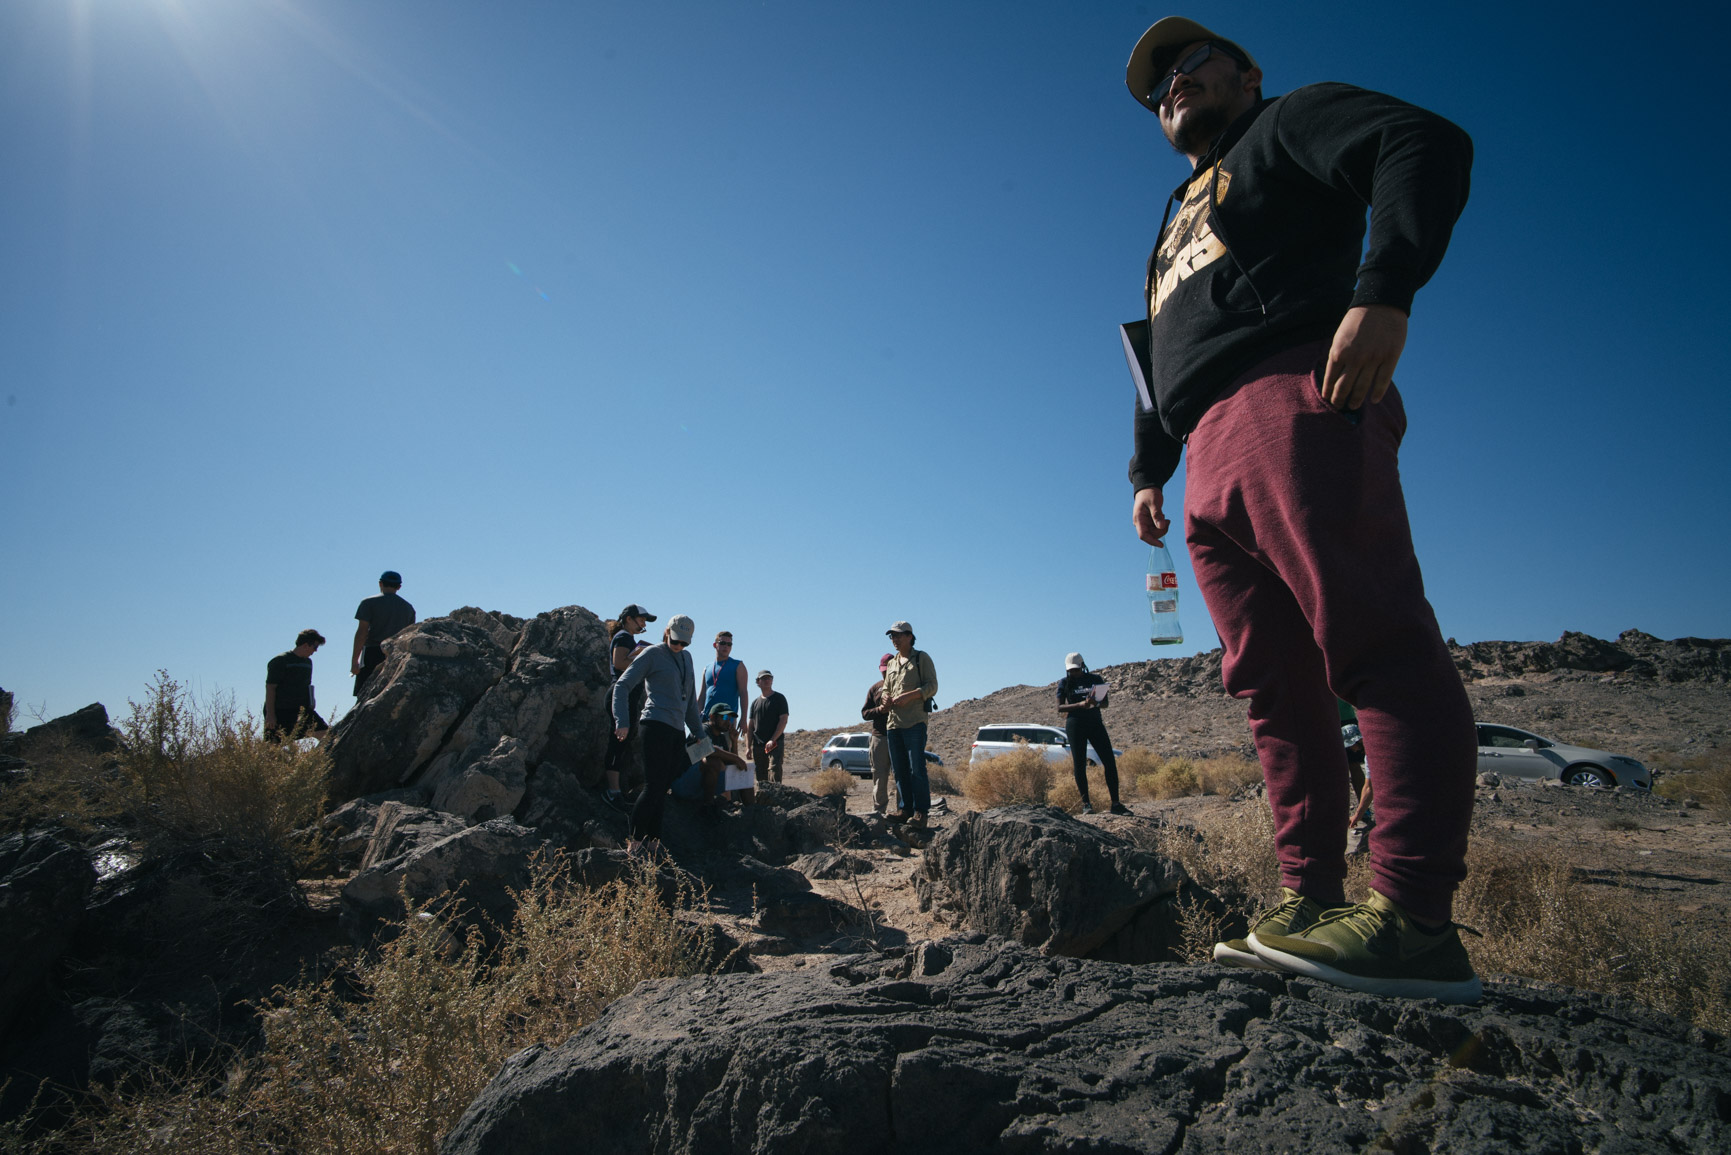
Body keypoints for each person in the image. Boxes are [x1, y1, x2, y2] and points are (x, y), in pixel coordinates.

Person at [1123, 17, 1479, 1002]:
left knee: (1371, 641)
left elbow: (1424, 142)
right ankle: (1311, 902)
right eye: (1159, 87)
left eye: (1193, 62)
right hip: (1205, 456)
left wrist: (1387, 288)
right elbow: (1158, 352)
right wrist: (1146, 470)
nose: (1174, 86)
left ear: (1247, 73)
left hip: (1298, 392)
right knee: (1273, 686)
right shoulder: (1172, 214)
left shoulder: (1286, 124)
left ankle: (1413, 922)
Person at [610, 613, 705, 858]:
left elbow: (691, 705)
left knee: (663, 788)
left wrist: (700, 735)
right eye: (676, 640)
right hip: (654, 726)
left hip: (676, 731)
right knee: (653, 786)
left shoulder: (687, 658)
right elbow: (622, 685)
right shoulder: (652, 654)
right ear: (666, 632)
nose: (679, 646)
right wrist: (622, 721)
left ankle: (653, 843)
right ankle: (635, 843)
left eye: (684, 642)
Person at [1055, 653, 1129, 815]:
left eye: (1076, 669)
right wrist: (1081, 704)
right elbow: (1060, 708)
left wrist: (1095, 703)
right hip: (1075, 724)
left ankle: (1115, 803)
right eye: (1071, 670)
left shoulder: (1095, 679)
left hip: (1095, 722)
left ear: (1082, 665)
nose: (1074, 673)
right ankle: (1086, 804)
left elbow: (1105, 703)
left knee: (1109, 761)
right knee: (1080, 764)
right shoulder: (1065, 683)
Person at [881, 621, 938, 827]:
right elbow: (886, 689)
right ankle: (905, 809)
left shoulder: (922, 659)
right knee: (900, 769)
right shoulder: (893, 663)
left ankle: (921, 813)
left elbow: (932, 686)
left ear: (909, 636)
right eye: (892, 637)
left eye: (897, 636)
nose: (894, 640)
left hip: (915, 722)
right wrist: (886, 699)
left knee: (917, 769)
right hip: (894, 724)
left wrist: (912, 696)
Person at [602, 605, 656, 810]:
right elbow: (619, 663)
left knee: (622, 743)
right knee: (617, 742)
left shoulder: (626, 637)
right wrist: (641, 655)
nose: (643, 624)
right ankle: (613, 792)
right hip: (620, 695)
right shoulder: (624, 637)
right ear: (628, 619)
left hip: (627, 697)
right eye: (641, 619)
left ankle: (617, 790)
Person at [351, 571, 416, 698]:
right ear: (399, 587)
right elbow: (409, 634)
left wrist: (354, 661)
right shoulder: (408, 608)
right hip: (396, 656)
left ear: (380, 584)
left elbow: (362, 632)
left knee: (364, 695)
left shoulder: (368, 603)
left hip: (371, 653)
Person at [266, 629, 330, 741]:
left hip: (302, 711)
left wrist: (312, 700)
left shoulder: (308, 663)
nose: (315, 651)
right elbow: (271, 688)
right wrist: (270, 715)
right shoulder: (280, 661)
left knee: (326, 735)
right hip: (281, 711)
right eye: (314, 647)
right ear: (305, 645)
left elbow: (307, 684)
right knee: (273, 749)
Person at [700, 703, 754, 808]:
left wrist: (734, 742)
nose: (728, 722)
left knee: (744, 770)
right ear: (712, 717)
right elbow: (708, 750)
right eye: (724, 717)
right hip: (689, 781)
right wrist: (736, 758)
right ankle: (708, 807)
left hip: (710, 782)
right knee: (712, 762)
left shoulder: (721, 738)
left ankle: (752, 812)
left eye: (730, 718)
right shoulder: (703, 730)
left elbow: (733, 764)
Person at [860, 653, 894, 815]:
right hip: (879, 736)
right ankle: (879, 812)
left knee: (902, 775)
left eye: (888, 669)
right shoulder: (875, 688)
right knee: (879, 776)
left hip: (900, 735)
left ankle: (903, 810)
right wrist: (880, 710)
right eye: (883, 670)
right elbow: (865, 713)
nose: (885, 672)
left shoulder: (904, 685)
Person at [701, 631, 750, 742]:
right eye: (722, 643)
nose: (726, 647)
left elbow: (743, 692)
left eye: (729, 644)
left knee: (725, 754)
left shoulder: (738, 665)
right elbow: (702, 696)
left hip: (726, 721)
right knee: (703, 755)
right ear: (715, 645)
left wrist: (743, 718)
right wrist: (695, 718)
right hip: (707, 721)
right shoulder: (707, 668)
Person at [747, 671, 789, 784]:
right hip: (758, 744)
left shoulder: (779, 698)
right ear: (758, 682)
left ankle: (777, 798)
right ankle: (763, 799)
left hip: (775, 743)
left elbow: (783, 720)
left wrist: (773, 739)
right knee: (760, 774)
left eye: (769, 678)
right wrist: (748, 747)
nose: (767, 681)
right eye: (764, 678)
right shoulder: (755, 703)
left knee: (775, 769)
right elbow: (750, 726)